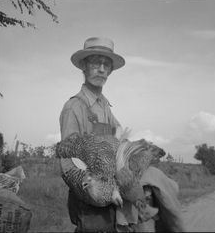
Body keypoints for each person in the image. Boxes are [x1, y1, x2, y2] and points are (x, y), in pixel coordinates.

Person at [58, 37, 186, 232]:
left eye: (106, 64)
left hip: (115, 184)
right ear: (84, 66)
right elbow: (67, 162)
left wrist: (137, 154)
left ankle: (155, 216)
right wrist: (101, 190)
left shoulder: (105, 107)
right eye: (95, 62)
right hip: (93, 198)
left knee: (156, 179)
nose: (101, 69)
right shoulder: (74, 107)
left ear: (110, 70)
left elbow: (120, 142)